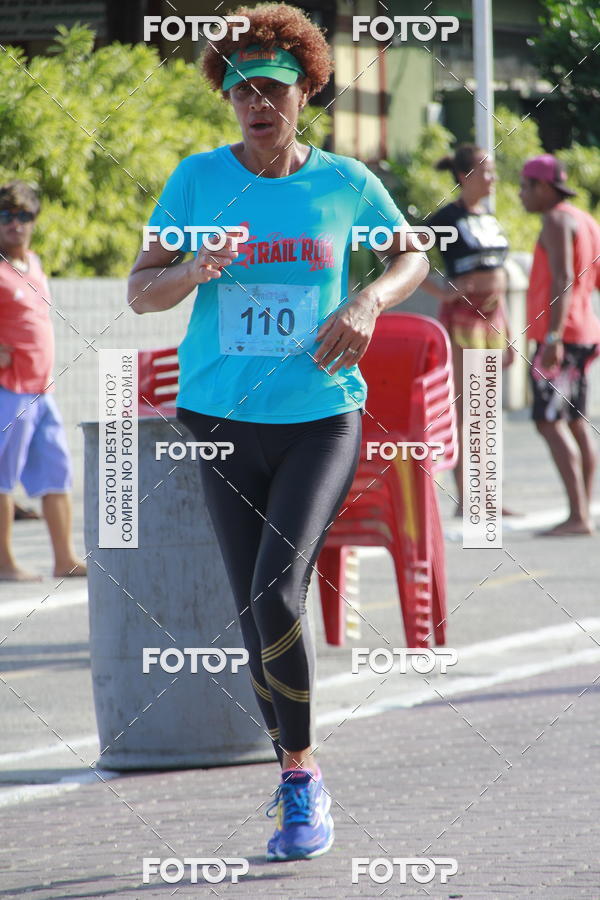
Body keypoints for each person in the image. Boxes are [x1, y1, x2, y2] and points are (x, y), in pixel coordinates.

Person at [128, 3, 428, 863]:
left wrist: (370, 297)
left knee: (275, 593)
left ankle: (300, 779)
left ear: (306, 95)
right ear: (225, 95)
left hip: (320, 417)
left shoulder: (344, 183)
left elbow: (413, 254)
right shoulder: (195, 180)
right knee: (253, 608)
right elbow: (140, 290)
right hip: (219, 420)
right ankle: (294, 764)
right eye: (242, 89)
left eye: (275, 89)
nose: (258, 103)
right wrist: (191, 268)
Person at [419, 144, 514, 515]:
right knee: (468, 406)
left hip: (493, 320)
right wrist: (442, 288)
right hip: (463, 319)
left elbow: (499, 270)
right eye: (486, 171)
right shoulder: (447, 217)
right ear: (464, 176)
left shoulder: (489, 217)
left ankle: (489, 496)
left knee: (487, 408)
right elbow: (398, 250)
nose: (493, 178)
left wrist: (507, 330)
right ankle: (469, 498)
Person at [0, 180, 87, 581]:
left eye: (23, 216)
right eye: (6, 215)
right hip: (8, 388)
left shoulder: (33, 262)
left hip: (41, 389)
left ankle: (64, 558)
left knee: (57, 471)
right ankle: (5, 563)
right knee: (2, 477)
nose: (15, 224)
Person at [519, 154, 600, 536]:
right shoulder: (585, 219)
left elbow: (564, 276)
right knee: (574, 423)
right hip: (582, 333)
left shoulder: (555, 220)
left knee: (549, 421)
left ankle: (578, 516)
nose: (521, 194)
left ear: (544, 187)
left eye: (525, 186)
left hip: (560, 337)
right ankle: (582, 510)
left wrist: (552, 337)